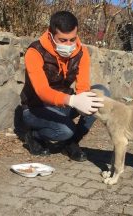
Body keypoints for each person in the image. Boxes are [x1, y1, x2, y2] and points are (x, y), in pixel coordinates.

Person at [20, 11, 110, 162]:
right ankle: (33, 136)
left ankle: (71, 142)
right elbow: (42, 91)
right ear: (50, 34)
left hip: (64, 103)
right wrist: (73, 101)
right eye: (63, 40)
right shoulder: (34, 52)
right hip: (36, 108)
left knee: (102, 93)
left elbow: (82, 86)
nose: (69, 45)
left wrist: (84, 101)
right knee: (65, 130)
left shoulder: (82, 52)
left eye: (72, 39)